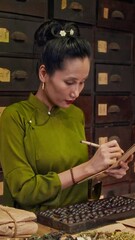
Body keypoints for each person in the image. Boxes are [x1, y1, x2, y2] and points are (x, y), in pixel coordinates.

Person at [0, 20, 132, 212]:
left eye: (82, 82)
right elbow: (24, 191)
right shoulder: (15, 117)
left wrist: (100, 172)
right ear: (44, 74)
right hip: (37, 226)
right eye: (69, 82)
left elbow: (74, 183)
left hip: (76, 218)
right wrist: (88, 167)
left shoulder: (75, 115)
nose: (76, 93)